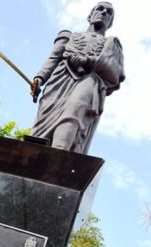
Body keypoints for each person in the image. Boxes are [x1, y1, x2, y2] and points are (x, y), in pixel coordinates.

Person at [29, 1, 124, 155]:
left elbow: (114, 73)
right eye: (100, 9)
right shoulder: (68, 37)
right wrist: (39, 78)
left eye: (109, 12)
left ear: (110, 22)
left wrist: (87, 61)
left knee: (74, 111)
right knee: (40, 134)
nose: (104, 12)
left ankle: (58, 157)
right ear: (90, 15)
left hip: (89, 81)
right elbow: (53, 58)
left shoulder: (112, 44)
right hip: (59, 82)